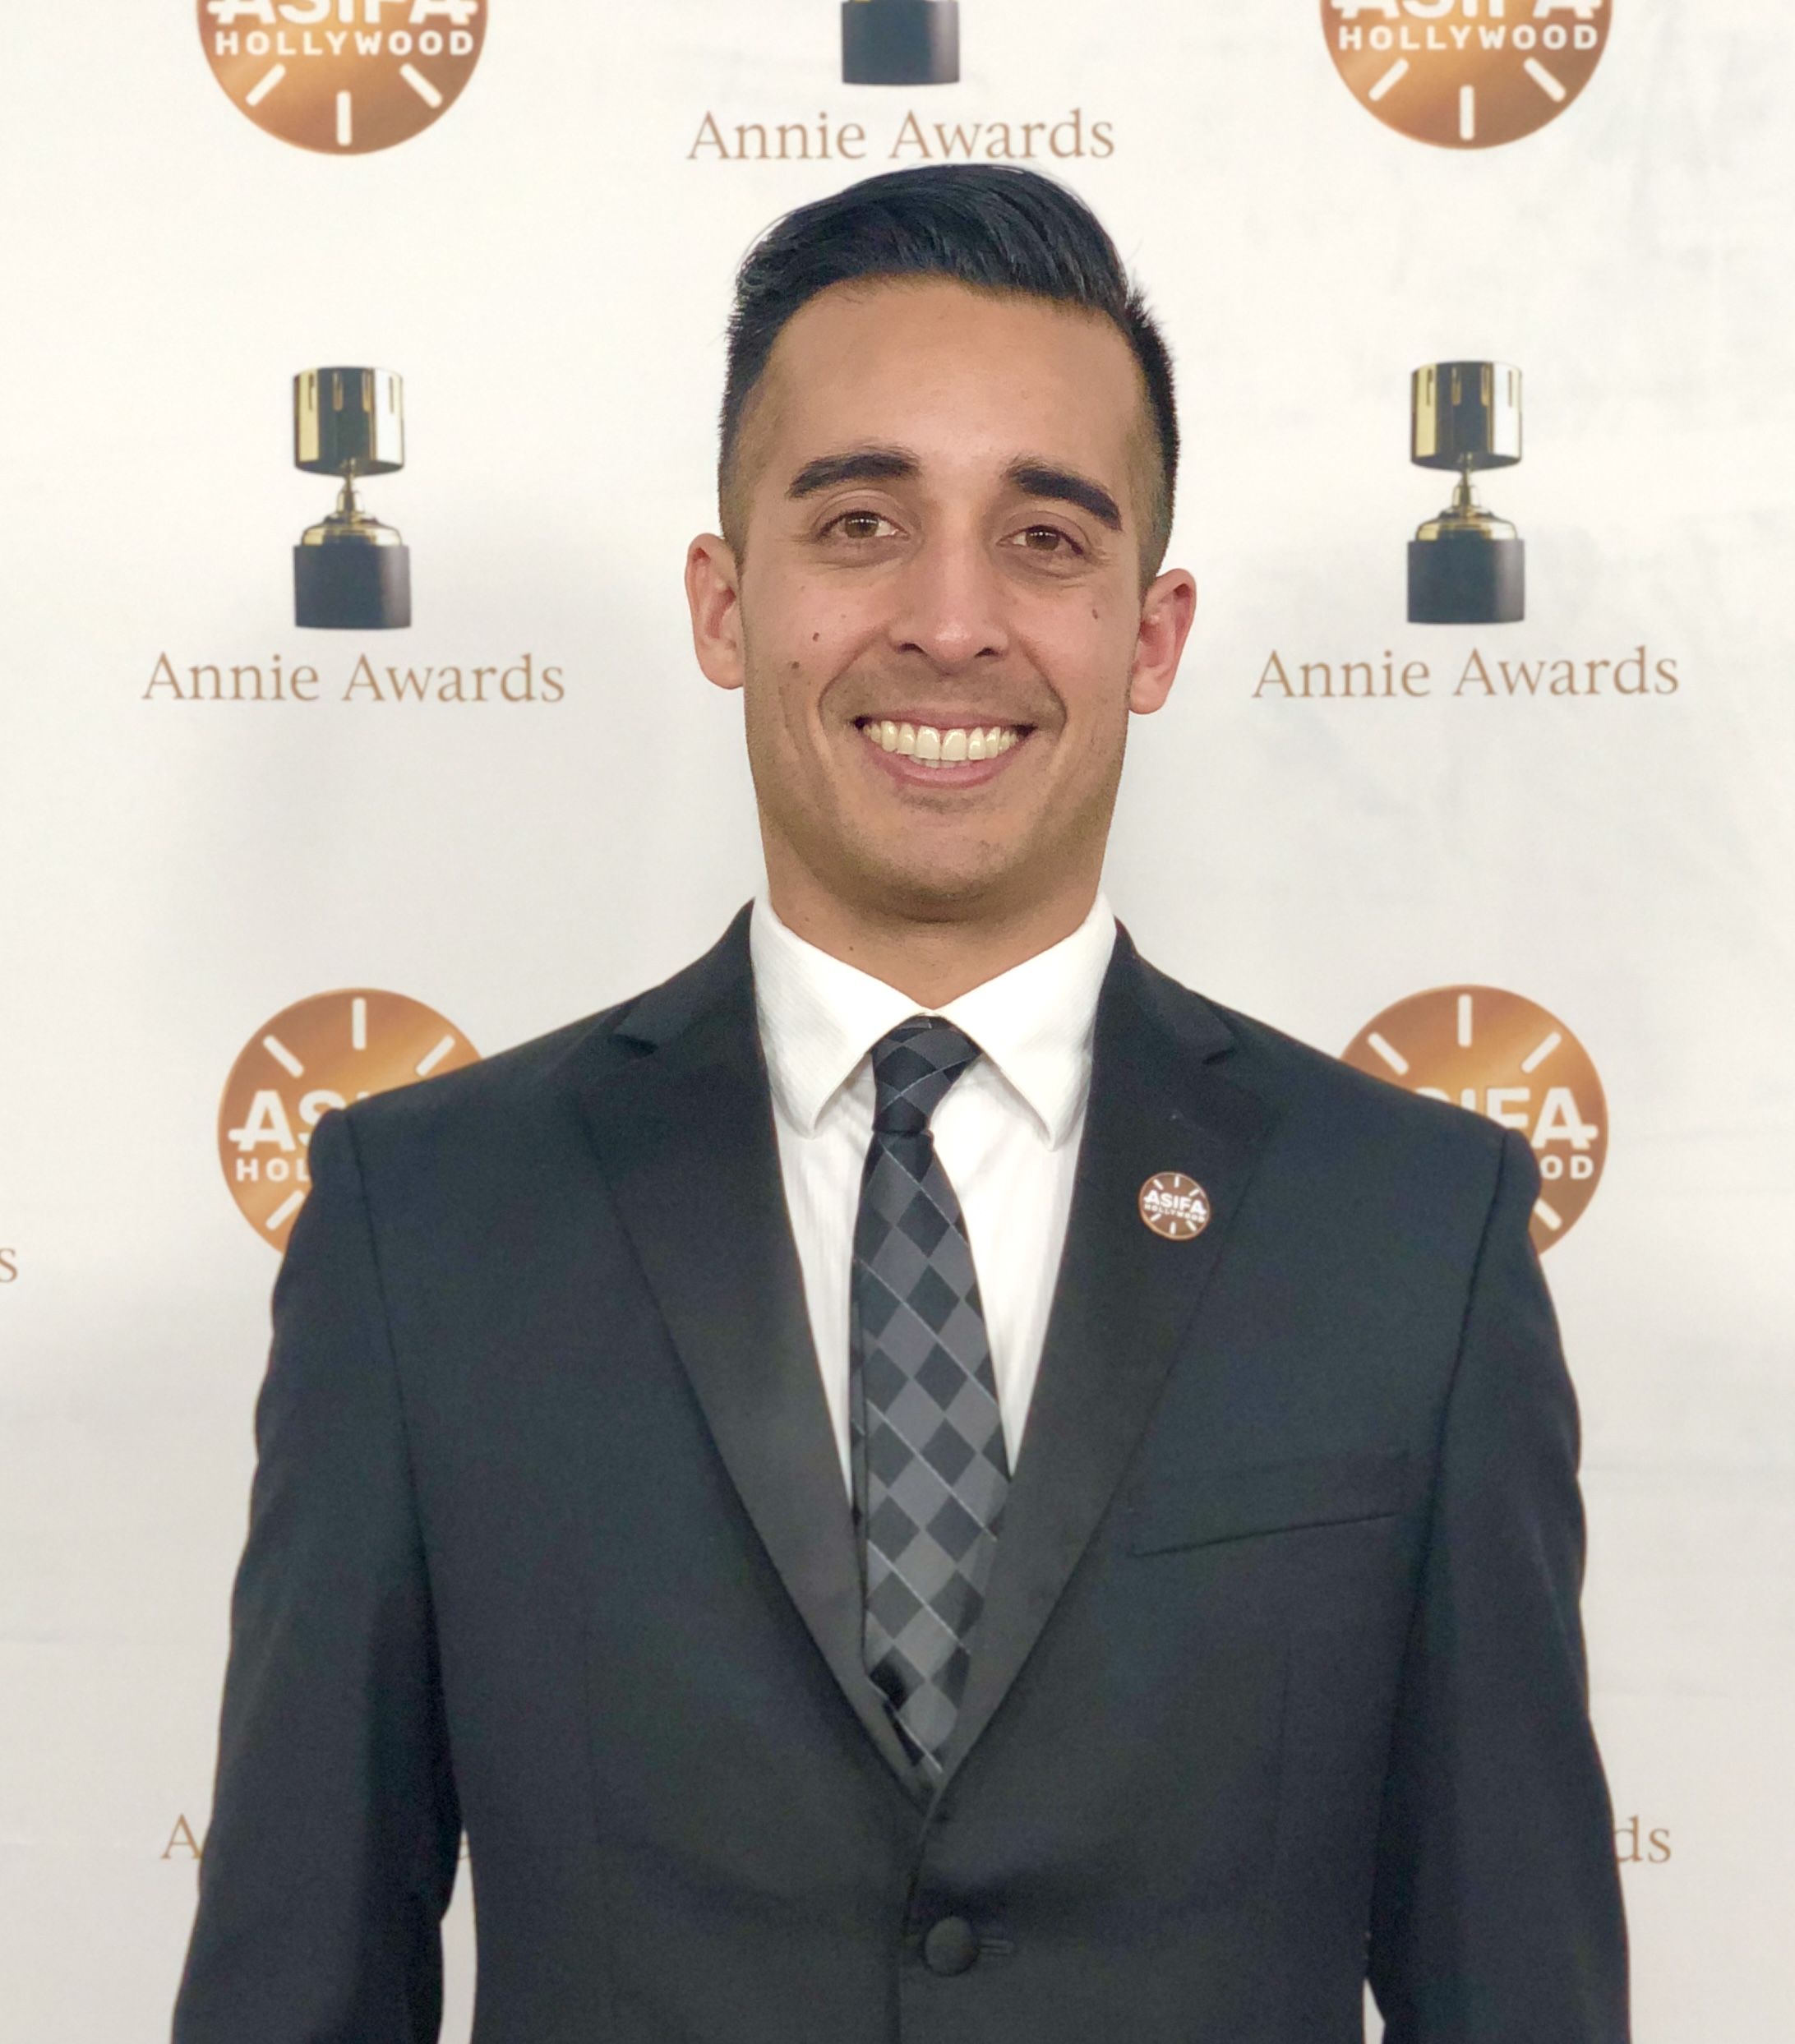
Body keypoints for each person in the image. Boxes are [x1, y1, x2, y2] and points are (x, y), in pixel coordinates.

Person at [173, 166, 1629, 2043]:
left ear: (1152, 634)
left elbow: (1514, 1988)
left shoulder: (1413, 1232)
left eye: (1045, 537)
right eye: (861, 523)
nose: (952, 621)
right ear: (726, 601)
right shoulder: (426, 1225)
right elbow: (298, 1978)